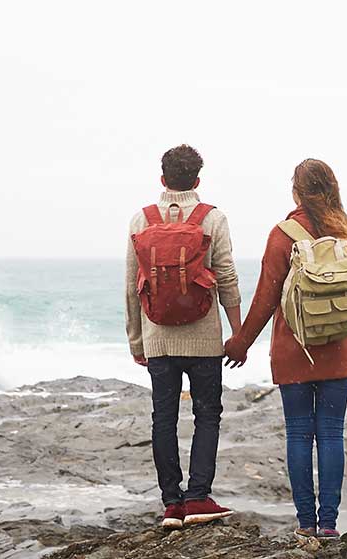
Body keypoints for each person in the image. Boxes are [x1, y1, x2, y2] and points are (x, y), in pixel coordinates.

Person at [224, 159, 347, 540]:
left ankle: (305, 523)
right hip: (341, 349)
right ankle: (330, 524)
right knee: (332, 433)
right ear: (333, 188)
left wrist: (241, 343)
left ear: (295, 191)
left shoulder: (283, 234)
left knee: (300, 433)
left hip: (295, 351)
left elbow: (265, 298)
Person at [126, 144, 241, 529]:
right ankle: (198, 497)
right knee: (207, 414)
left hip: (158, 337)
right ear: (197, 180)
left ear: (162, 179)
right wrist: (238, 331)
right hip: (204, 338)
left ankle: (171, 505)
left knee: (164, 418)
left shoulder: (140, 221)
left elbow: (131, 287)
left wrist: (136, 341)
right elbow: (226, 278)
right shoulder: (213, 218)